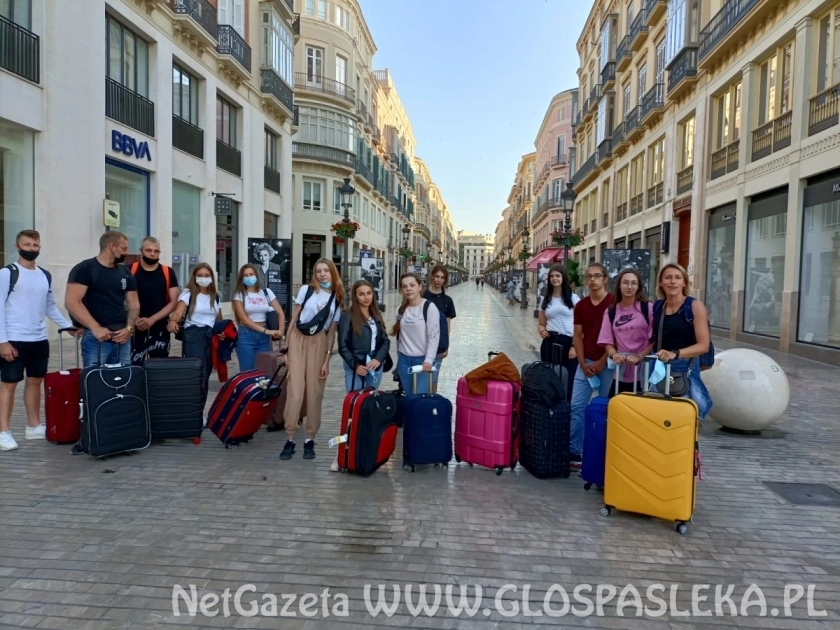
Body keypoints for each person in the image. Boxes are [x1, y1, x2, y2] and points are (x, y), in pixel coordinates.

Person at [0, 230, 78, 451]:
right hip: (14, 338)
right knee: (9, 384)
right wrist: (3, 342)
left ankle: (33, 425)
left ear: (40, 247)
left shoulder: (45, 275)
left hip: (38, 339)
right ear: (17, 247)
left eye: (35, 245)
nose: (31, 249)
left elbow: (49, 306)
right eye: (27, 245)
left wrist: (68, 326)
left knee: (35, 381)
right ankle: (4, 431)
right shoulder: (7, 274)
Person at [279, 258, 343, 461]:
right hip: (298, 339)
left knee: (315, 393)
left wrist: (326, 360)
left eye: (326, 270)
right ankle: (290, 437)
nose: (322, 274)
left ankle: (309, 438)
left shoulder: (337, 297)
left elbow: (331, 331)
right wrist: (286, 349)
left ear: (332, 273)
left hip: (320, 342)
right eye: (318, 271)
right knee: (295, 392)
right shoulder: (306, 290)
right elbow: (293, 319)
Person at [66, 231, 138, 368]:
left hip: (122, 337)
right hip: (96, 338)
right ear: (111, 247)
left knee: (123, 377)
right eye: (124, 248)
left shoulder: (125, 272)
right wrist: (96, 328)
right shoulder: (85, 268)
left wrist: (129, 328)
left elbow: (134, 304)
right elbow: (72, 302)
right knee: (95, 377)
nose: (127, 252)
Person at [650, 263, 713, 419]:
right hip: (659, 366)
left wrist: (675, 353)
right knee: (657, 415)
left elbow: (703, 345)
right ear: (661, 282)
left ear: (684, 282)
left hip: (685, 367)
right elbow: (653, 339)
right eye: (668, 278)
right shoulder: (658, 306)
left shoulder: (694, 306)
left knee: (683, 417)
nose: (673, 282)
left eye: (678, 278)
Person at [567, 263, 614, 467]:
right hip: (584, 362)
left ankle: (598, 453)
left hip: (608, 363)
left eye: (596, 276)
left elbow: (617, 336)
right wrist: (582, 362)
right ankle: (574, 451)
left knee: (602, 408)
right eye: (589, 276)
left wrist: (602, 361)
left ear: (605, 279)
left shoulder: (614, 303)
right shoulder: (581, 306)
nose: (592, 280)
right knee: (577, 406)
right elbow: (578, 336)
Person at [166, 264, 224, 415]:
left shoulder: (215, 296)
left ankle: (199, 413)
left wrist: (222, 332)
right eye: (200, 275)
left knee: (206, 376)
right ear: (195, 277)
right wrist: (173, 321)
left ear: (211, 278)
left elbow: (219, 319)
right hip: (193, 336)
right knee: (197, 375)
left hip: (210, 337)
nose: (203, 278)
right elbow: (178, 311)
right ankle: (192, 413)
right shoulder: (188, 293)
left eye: (207, 275)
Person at [598, 268, 653, 395]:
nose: (629, 287)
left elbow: (654, 339)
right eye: (625, 282)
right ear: (619, 285)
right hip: (620, 370)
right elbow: (606, 340)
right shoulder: (611, 311)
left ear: (638, 286)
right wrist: (614, 354)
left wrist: (639, 356)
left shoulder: (648, 307)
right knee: (616, 404)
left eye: (633, 283)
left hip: (644, 369)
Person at [129, 236, 179, 363]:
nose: (152, 254)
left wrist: (152, 319)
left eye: (156, 251)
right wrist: (135, 318)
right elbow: (121, 298)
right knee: (134, 366)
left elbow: (173, 302)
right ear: (141, 251)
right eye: (148, 250)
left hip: (160, 327)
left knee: (159, 366)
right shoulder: (129, 270)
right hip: (134, 327)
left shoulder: (168, 272)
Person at [391, 272, 440, 396]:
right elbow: (400, 338)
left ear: (420, 287)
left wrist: (429, 360)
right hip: (404, 360)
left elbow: (434, 337)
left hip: (423, 360)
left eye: (412, 285)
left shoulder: (429, 307)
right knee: (408, 396)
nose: (408, 289)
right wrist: (399, 357)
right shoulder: (400, 309)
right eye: (404, 286)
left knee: (419, 397)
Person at [537, 263, 580, 400]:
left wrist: (574, 346)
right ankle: (551, 407)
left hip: (568, 342)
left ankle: (567, 406)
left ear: (563, 278)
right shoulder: (545, 299)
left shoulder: (573, 298)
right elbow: (541, 323)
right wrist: (542, 331)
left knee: (569, 377)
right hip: (550, 342)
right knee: (550, 377)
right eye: (552, 276)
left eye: (558, 276)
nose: (554, 278)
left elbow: (581, 325)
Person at [231, 263, 285, 371]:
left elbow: (280, 312)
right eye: (245, 275)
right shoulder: (239, 295)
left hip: (264, 337)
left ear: (256, 275)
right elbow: (244, 320)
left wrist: (281, 331)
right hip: (246, 335)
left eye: (251, 274)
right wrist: (266, 331)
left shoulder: (266, 292)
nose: (249, 277)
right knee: (248, 370)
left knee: (264, 369)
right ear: (241, 278)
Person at [423, 264, 456, 393]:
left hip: (438, 345)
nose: (439, 280)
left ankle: (431, 400)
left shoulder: (447, 301)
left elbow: (447, 323)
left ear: (445, 280)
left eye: (442, 278)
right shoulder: (422, 296)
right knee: (421, 377)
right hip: (421, 343)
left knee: (434, 378)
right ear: (432, 276)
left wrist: (446, 346)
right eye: (437, 276)